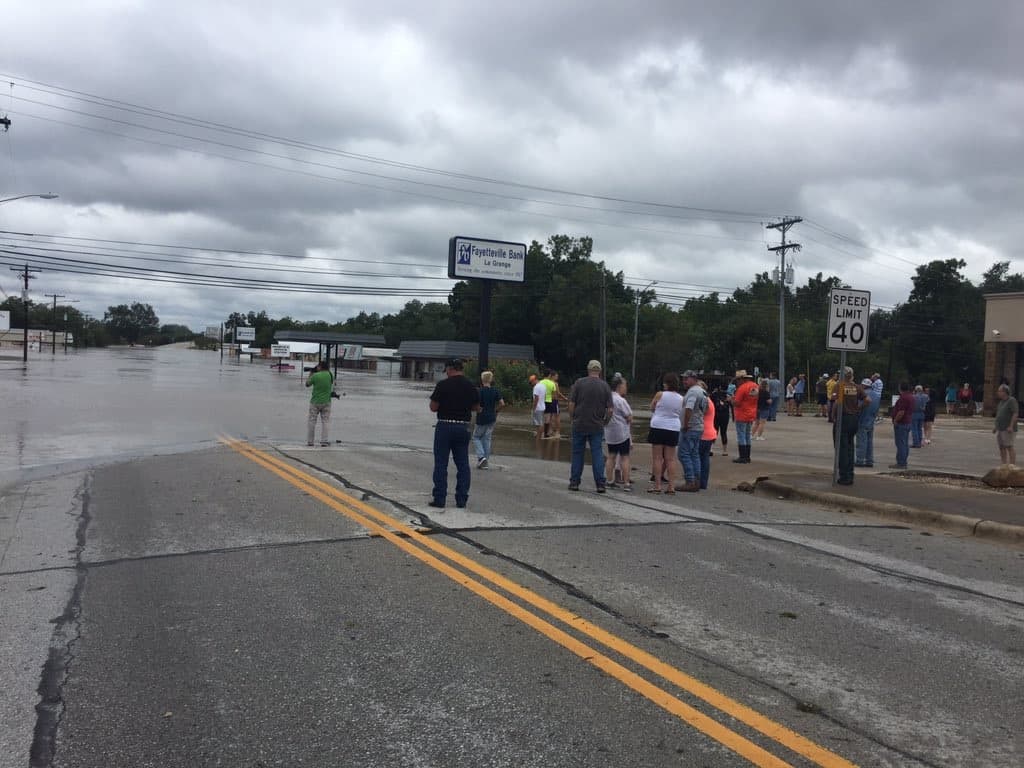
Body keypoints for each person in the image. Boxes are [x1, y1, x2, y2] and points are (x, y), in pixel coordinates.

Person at [428, 358, 480, 509]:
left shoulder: (443, 385)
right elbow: (476, 407)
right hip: (463, 427)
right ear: (461, 369)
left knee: (441, 464)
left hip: (444, 426)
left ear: (450, 369)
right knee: (463, 464)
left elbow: (433, 407)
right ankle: (461, 499)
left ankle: (439, 499)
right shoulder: (471, 386)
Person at [567, 360, 613, 492]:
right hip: (597, 425)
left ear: (588, 370)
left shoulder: (579, 383)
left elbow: (571, 404)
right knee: (597, 453)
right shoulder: (605, 386)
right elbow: (610, 410)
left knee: (577, 453)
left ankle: (575, 482)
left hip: (579, 423)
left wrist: (572, 418)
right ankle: (600, 484)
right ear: (600, 371)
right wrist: (605, 422)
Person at [648, 371, 684, 492]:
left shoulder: (660, 394)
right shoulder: (681, 398)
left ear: (666, 383)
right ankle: (671, 486)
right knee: (670, 459)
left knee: (657, 458)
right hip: (673, 427)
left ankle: (657, 485)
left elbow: (652, 407)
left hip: (658, 426)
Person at [676, 370, 707, 492]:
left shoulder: (693, 392)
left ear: (694, 379)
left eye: (686, 379)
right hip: (699, 426)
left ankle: (690, 481)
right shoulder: (703, 391)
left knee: (683, 454)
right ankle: (697, 480)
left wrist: (685, 424)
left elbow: (689, 408)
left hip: (691, 427)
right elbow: (706, 408)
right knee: (694, 454)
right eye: (683, 379)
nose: (684, 381)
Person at [833, 367, 863, 485]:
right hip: (854, 419)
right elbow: (868, 400)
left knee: (841, 448)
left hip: (843, 418)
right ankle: (850, 474)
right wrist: (857, 408)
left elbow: (836, 402)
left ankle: (844, 476)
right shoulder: (856, 387)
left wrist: (833, 416)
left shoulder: (840, 386)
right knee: (850, 447)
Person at [604, 376, 633, 491]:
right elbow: (629, 416)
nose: (626, 388)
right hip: (622, 433)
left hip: (610, 432)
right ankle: (626, 484)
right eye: (625, 385)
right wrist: (628, 419)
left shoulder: (607, 398)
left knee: (611, 456)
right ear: (619, 386)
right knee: (624, 457)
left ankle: (609, 480)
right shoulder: (621, 400)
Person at [472, 371, 504, 469]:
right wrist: (496, 411)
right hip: (492, 417)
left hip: (482, 417)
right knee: (487, 438)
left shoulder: (479, 391)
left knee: (476, 437)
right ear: (491, 380)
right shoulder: (495, 391)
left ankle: (481, 457)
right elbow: (502, 403)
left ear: (482, 380)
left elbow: (476, 404)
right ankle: (485, 460)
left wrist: (477, 409)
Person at [731, 370, 759, 463]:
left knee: (741, 435)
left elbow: (737, 403)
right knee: (747, 435)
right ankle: (747, 456)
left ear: (741, 379)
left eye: (738, 380)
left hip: (741, 414)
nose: (737, 382)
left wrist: (731, 400)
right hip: (751, 413)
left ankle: (742, 457)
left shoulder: (742, 388)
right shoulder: (755, 386)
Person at [305, 361, 334, 446]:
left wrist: (310, 374)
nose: (317, 367)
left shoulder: (315, 376)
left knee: (312, 421)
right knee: (325, 422)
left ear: (320, 367)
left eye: (318, 366)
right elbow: (331, 384)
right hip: (327, 402)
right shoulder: (330, 375)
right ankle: (324, 441)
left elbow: (307, 384)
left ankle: (310, 441)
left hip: (315, 402)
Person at [855, 378, 880, 468]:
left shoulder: (864, 395)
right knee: (869, 442)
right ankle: (869, 460)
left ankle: (860, 460)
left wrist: (857, 409)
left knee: (861, 441)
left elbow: (859, 406)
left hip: (862, 420)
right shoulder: (877, 396)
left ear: (864, 385)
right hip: (871, 421)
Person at [890, 381, 914, 469]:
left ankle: (901, 462)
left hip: (902, 423)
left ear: (900, 388)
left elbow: (901, 412)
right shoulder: (911, 397)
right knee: (904, 443)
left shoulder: (903, 398)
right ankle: (903, 461)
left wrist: (895, 420)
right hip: (908, 422)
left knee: (900, 444)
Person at [698, 380, 717, 490]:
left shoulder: (704, 401)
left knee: (698, 457)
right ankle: (703, 482)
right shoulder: (709, 400)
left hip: (703, 433)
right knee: (704, 458)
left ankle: (697, 480)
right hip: (710, 433)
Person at [994, 383, 1019, 466]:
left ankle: (1012, 465)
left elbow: (1015, 413)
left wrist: (1011, 426)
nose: (998, 392)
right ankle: (1003, 464)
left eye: (999, 391)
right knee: (1001, 447)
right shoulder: (1001, 402)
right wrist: (996, 427)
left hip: (1008, 429)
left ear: (1005, 392)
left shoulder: (1011, 400)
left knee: (1009, 446)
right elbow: (999, 415)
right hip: (1000, 428)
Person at [710, 382, 731, 456]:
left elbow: (710, 405)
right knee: (723, 432)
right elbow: (731, 406)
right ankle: (724, 450)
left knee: (715, 431)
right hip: (725, 415)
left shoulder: (714, 394)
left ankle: (711, 449)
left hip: (716, 415)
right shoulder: (728, 395)